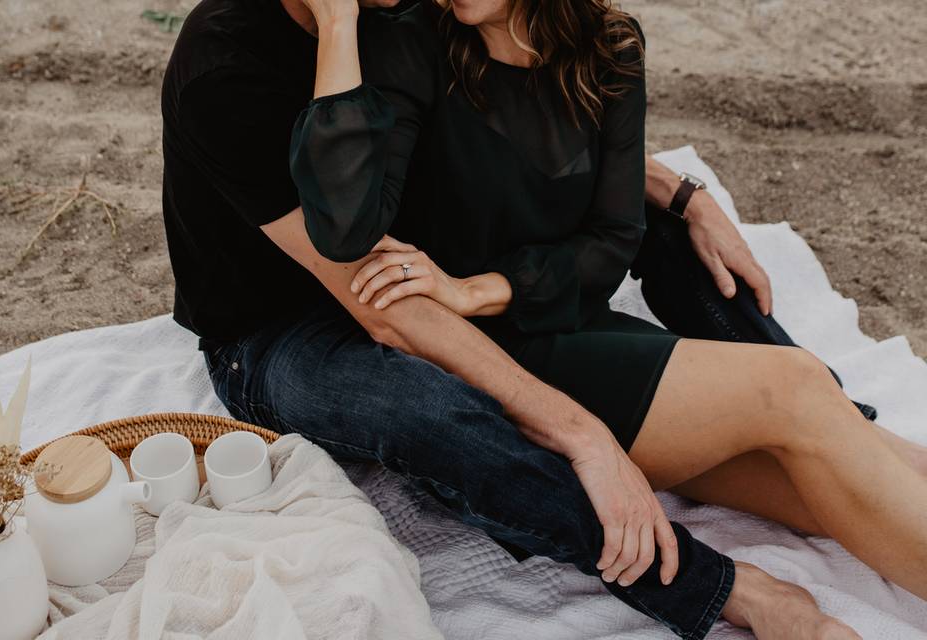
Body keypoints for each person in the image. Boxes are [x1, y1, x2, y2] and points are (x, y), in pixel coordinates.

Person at [157, 0, 910, 637]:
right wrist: (582, 434)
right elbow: (372, 292)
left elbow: (522, 99)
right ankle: (716, 587)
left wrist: (681, 190)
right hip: (282, 327)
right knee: (426, 410)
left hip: (424, 266)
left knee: (816, 453)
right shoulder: (225, 66)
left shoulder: (407, 6)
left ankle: (850, 427)